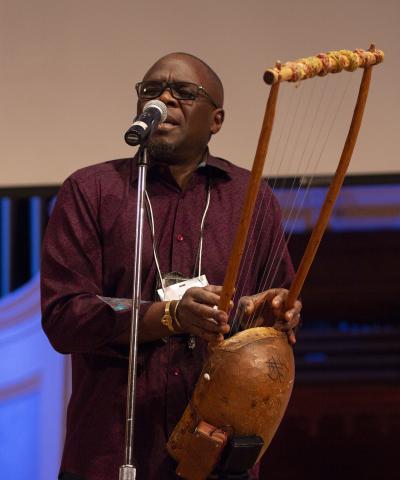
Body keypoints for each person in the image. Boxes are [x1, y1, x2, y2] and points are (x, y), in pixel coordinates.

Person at [41, 52, 301, 480]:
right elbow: (64, 317)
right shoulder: (91, 191)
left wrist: (273, 314)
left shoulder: (249, 197)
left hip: (216, 453)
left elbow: (275, 322)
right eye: (151, 91)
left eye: (183, 92)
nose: (163, 98)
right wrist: (170, 316)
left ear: (215, 120)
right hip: (110, 452)